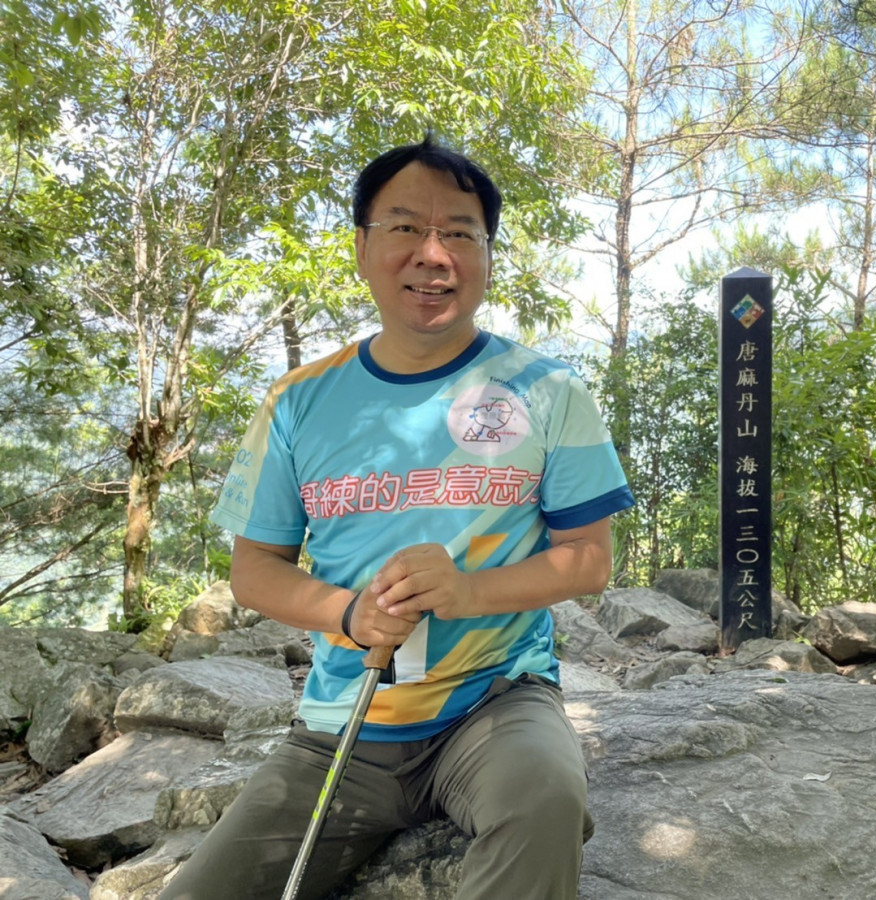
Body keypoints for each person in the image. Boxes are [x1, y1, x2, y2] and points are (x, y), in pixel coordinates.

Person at [160, 135, 634, 900]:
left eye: (460, 233)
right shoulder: (299, 403)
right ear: (362, 247)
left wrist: (469, 592)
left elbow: (589, 559)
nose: (434, 254)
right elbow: (255, 571)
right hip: (341, 729)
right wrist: (347, 611)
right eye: (407, 227)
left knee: (544, 800)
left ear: (485, 257)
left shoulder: (548, 391)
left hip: (496, 703)